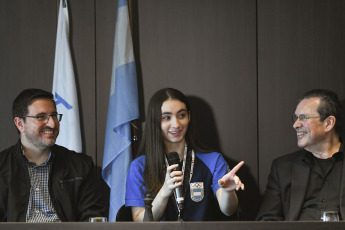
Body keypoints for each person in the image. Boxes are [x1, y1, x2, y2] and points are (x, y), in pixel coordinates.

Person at [125, 88, 245, 221]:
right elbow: (139, 221)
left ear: (189, 116)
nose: (176, 124)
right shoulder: (139, 166)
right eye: (166, 117)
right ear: (155, 121)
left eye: (181, 115)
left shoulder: (213, 160)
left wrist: (228, 191)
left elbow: (228, 210)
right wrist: (164, 192)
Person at [0, 88, 106, 222]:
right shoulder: (2, 166)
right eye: (41, 117)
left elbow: (93, 219)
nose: (52, 123)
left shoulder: (81, 166)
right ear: (20, 124)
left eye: (54, 115)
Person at [256, 89, 344, 221]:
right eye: (296, 118)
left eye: (304, 118)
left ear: (328, 123)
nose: (295, 125)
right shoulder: (283, 167)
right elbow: (266, 220)